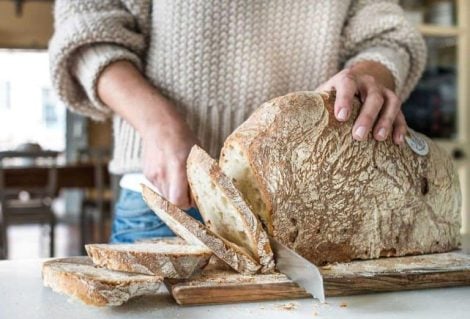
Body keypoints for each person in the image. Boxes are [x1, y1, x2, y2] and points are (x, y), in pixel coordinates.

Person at [49, 0, 426, 243]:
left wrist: (368, 74)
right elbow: (87, 28)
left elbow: (390, 37)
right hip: (173, 199)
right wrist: (158, 125)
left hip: (315, 204)